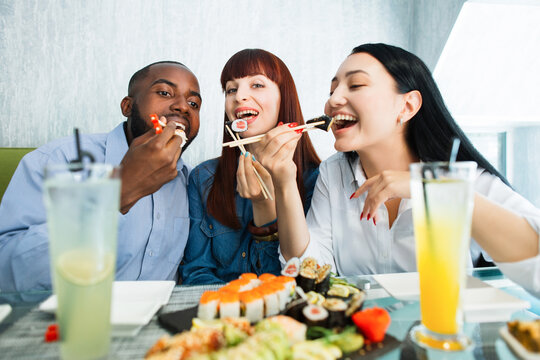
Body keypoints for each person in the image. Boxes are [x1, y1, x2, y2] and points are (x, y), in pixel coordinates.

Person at [258, 43, 540, 297]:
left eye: (355, 85)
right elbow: (310, 272)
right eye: (332, 90)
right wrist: (283, 182)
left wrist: (433, 190)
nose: (332, 101)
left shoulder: (460, 177)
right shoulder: (334, 173)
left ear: (407, 106)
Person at [0, 61, 202, 291]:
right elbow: (6, 274)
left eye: (194, 103)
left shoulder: (189, 182)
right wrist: (116, 194)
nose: (183, 107)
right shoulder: (60, 160)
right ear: (127, 106)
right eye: (165, 92)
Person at [180, 49, 320, 284]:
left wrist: (264, 208)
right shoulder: (204, 178)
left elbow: (303, 278)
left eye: (257, 85)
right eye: (231, 89)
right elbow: (196, 273)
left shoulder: (317, 180)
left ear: (283, 97)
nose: (239, 96)